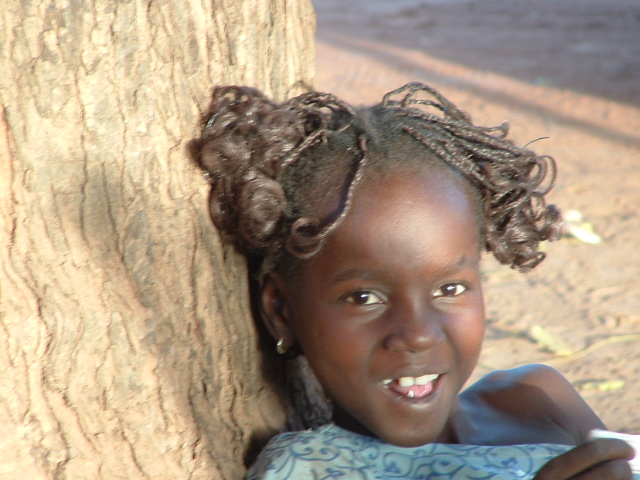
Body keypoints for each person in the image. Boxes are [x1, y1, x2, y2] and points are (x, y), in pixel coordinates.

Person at [192, 83, 637, 479]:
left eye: (450, 289)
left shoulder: (536, 399)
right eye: (364, 297)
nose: (419, 334)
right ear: (282, 311)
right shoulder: (305, 468)